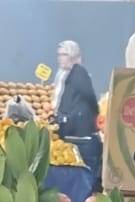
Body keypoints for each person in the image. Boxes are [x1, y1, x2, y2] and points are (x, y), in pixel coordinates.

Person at [53, 40, 101, 185]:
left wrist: (77, 117)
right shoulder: (64, 75)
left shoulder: (78, 73)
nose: (60, 58)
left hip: (80, 135)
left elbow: (89, 97)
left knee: (84, 178)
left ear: (73, 56)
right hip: (74, 133)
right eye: (59, 54)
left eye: (64, 54)